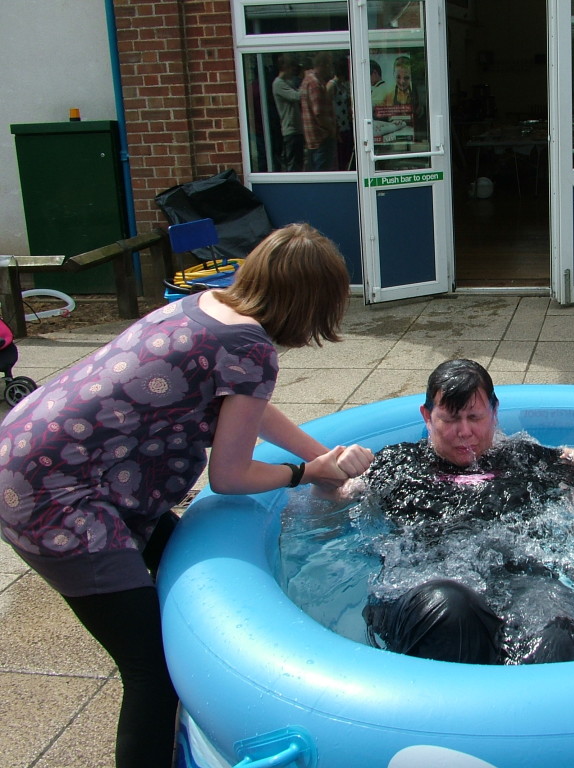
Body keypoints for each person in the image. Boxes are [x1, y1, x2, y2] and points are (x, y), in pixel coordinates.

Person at [0, 223, 373, 768]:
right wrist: (303, 474)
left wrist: (326, 458)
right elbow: (229, 476)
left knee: (175, 554)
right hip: (56, 498)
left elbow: (247, 406)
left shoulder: (206, 308)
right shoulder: (251, 347)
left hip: (27, 453)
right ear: (309, 304)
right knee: (154, 670)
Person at [335, 358, 574, 666]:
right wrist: (333, 478)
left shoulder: (526, 458)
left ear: (494, 412)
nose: (465, 432)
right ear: (427, 416)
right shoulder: (397, 464)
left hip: (523, 585)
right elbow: (325, 517)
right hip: (426, 589)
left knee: (560, 636)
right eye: (450, 419)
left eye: (475, 417)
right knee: (450, 607)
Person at [300, 51, 338, 171]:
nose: (331, 69)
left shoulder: (307, 80)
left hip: (312, 139)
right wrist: (332, 130)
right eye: (330, 65)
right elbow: (319, 114)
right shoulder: (315, 84)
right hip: (321, 138)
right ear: (324, 65)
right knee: (324, 174)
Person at [272, 53, 304, 172]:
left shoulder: (288, 82)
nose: (293, 71)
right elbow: (296, 96)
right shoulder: (278, 84)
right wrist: (305, 81)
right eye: (292, 67)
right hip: (290, 130)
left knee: (299, 163)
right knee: (293, 165)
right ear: (285, 67)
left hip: (297, 129)